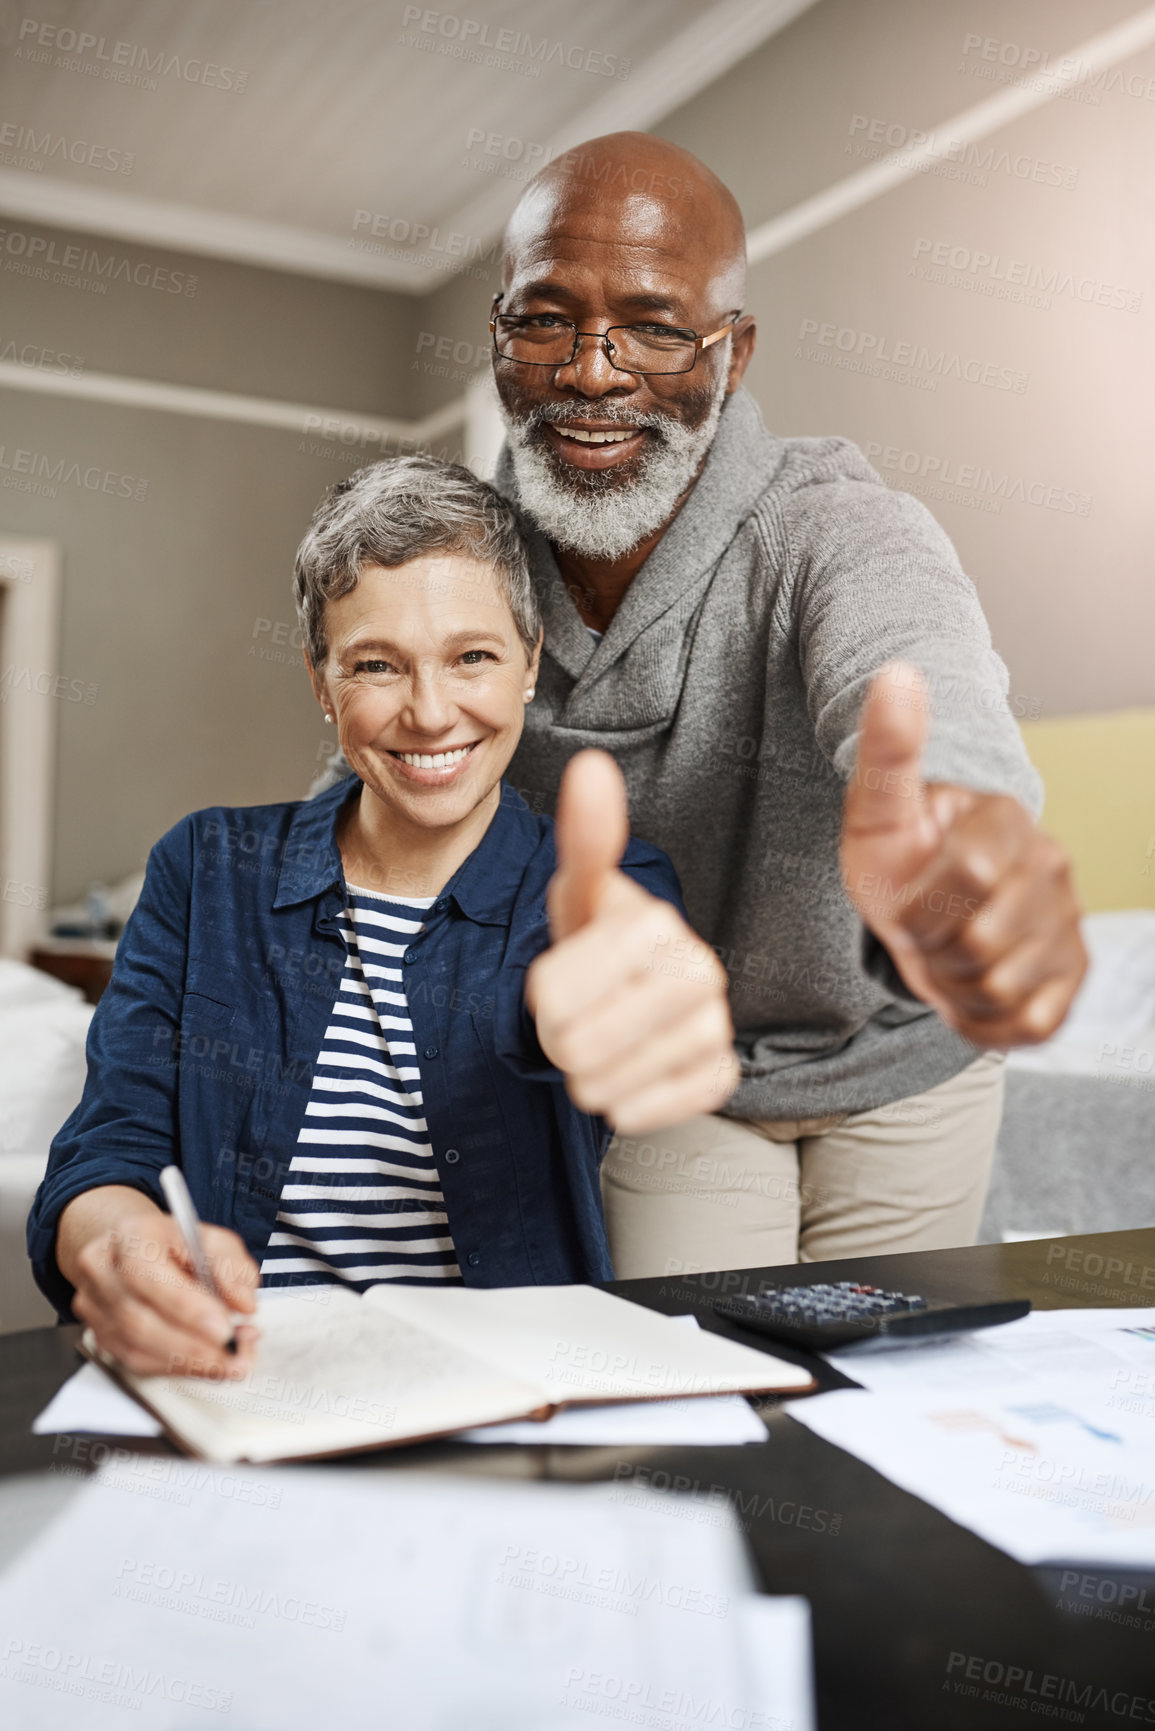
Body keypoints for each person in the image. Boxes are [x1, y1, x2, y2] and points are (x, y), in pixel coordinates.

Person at [480, 130, 1088, 1277]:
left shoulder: (834, 527)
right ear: (499, 331)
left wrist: (964, 837)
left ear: (734, 353)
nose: (594, 373)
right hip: (683, 1069)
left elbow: (919, 678)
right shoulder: (465, 561)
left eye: (657, 327)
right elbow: (370, 805)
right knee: (703, 1371)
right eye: (546, 317)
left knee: (885, 1384)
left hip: (905, 1048)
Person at [26, 457, 735, 1378]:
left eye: (472, 656)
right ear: (323, 684)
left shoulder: (606, 882)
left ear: (529, 662)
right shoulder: (204, 868)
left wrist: (618, 1011)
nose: (430, 713)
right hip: (234, 1378)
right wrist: (114, 1240)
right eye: (375, 665)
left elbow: (614, 987)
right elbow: (110, 1142)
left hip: (498, 1391)